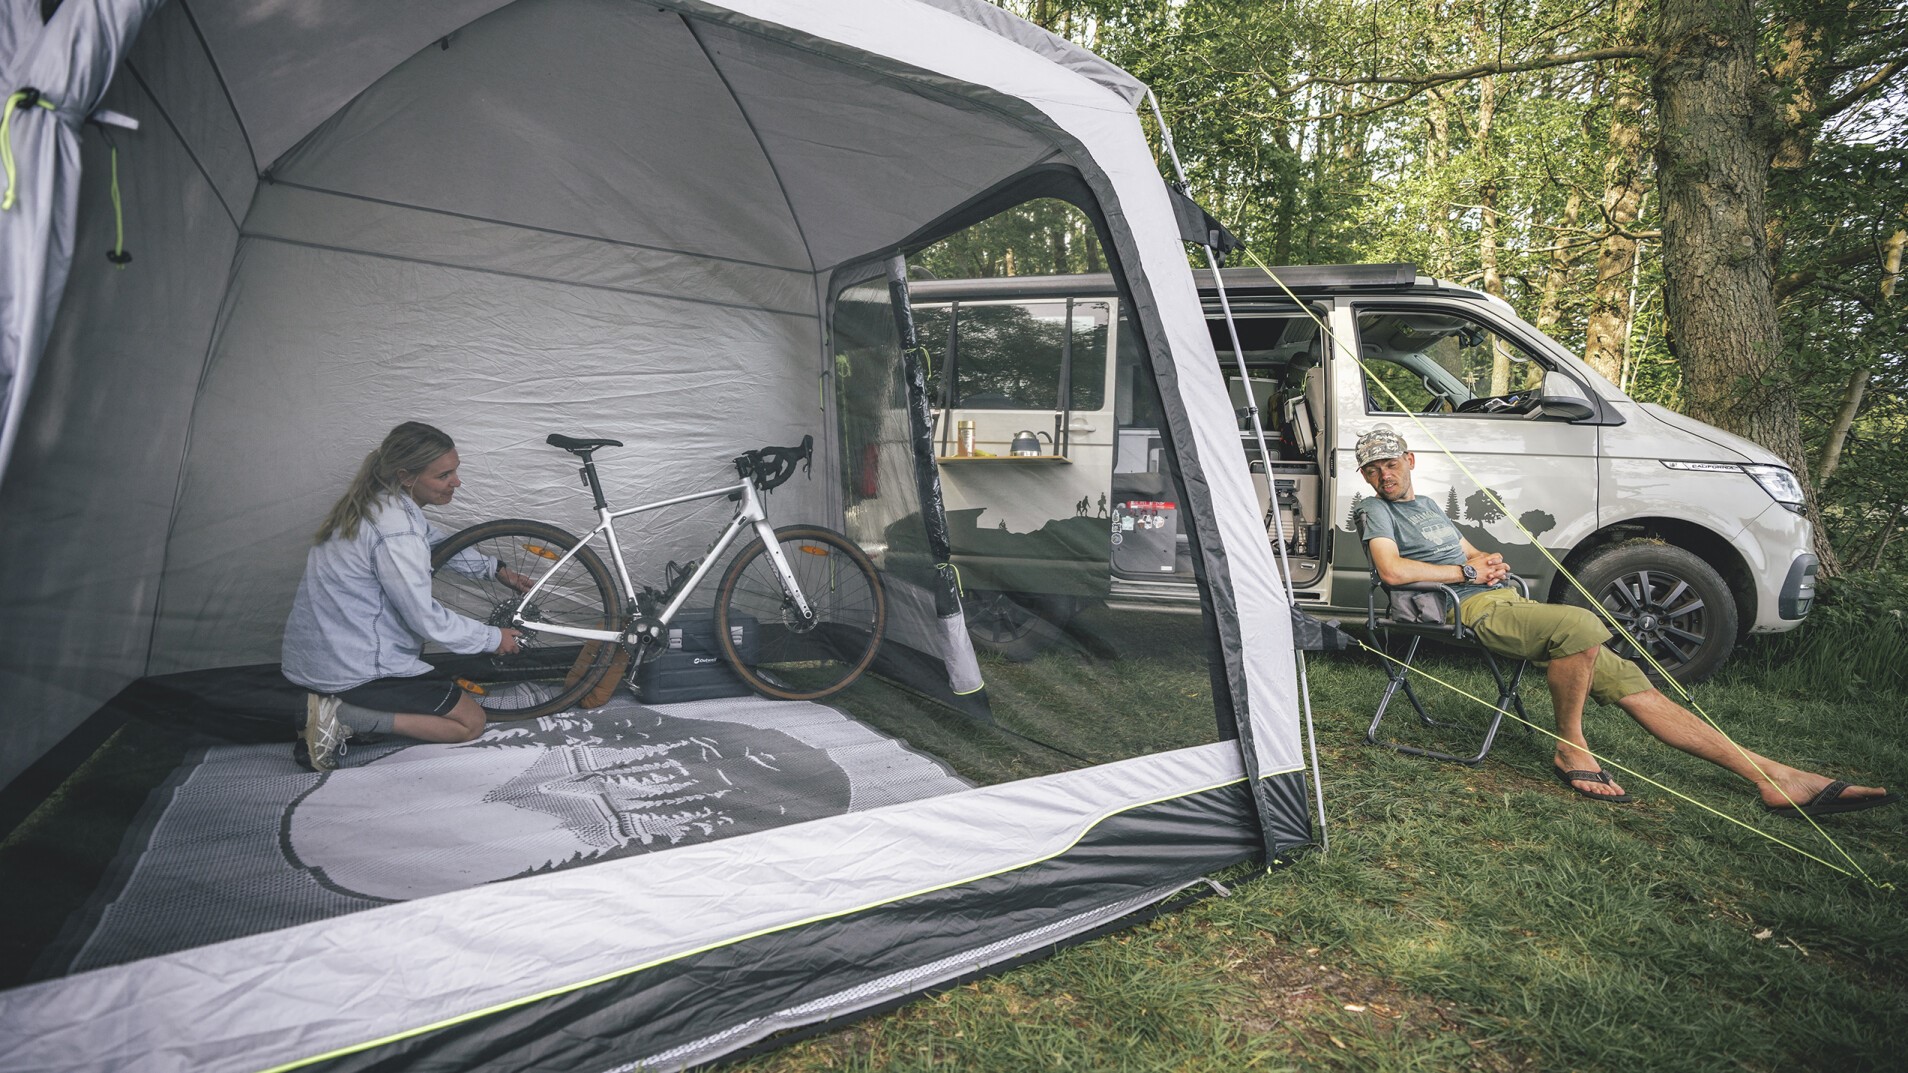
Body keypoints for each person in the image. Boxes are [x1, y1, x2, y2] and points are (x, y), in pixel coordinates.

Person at [1352, 424, 1897, 818]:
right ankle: (1570, 744)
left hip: (1501, 599)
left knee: (1639, 689)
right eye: (1372, 469)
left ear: (1410, 460)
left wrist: (1486, 562)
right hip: (1466, 609)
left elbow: (1470, 553)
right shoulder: (1374, 510)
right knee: (1579, 626)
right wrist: (1465, 573)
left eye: (1390, 463)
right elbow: (1393, 572)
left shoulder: (1429, 507)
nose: (1383, 475)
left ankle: (1775, 776)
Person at [282, 422, 534, 770]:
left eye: (455, 470)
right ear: (406, 477)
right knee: (470, 723)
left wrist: (496, 570)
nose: (457, 482)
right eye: (444, 475)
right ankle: (341, 717)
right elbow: (424, 618)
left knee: (442, 707)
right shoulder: (396, 530)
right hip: (358, 667)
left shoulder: (381, 503)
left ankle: (345, 712)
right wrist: (494, 638)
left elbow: (436, 542)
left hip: (326, 656)